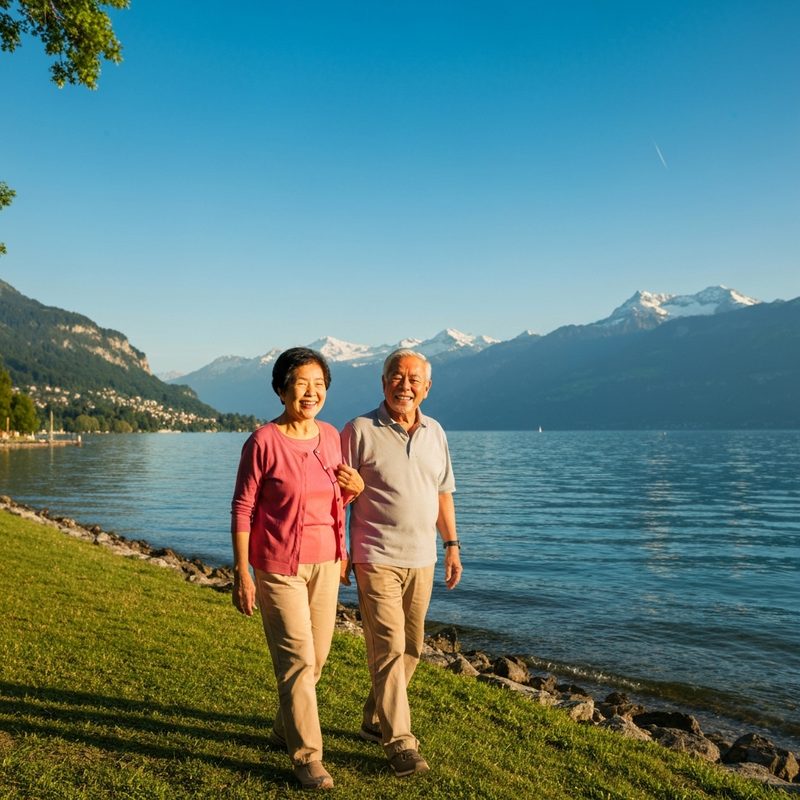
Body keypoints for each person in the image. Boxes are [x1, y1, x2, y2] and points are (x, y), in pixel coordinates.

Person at [230, 347, 364, 791]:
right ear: (282, 388)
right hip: (278, 568)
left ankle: (283, 728)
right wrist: (242, 572)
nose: (312, 392)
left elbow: (331, 500)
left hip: (326, 564)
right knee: (297, 662)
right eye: (302, 383)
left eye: (319, 385)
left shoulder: (330, 436)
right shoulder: (263, 442)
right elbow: (243, 508)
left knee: (317, 659)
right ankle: (308, 757)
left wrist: (356, 490)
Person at [340, 348, 463, 778]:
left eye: (414, 379)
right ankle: (400, 743)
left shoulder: (436, 432)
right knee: (389, 648)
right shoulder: (358, 430)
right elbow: (335, 496)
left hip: (424, 557)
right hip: (375, 556)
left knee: (411, 647)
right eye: (397, 376)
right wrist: (342, 549)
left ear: (426, 389)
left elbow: (442, 493)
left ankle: (375, 717)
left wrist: (452, 543)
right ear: (383, 382)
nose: (404, 385)